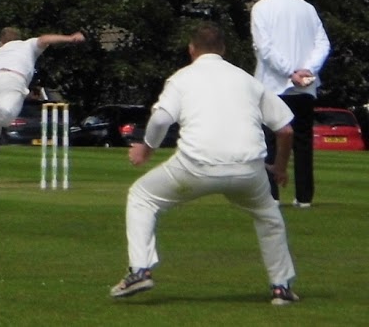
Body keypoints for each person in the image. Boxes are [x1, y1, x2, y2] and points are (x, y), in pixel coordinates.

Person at [110, 22, 299, 305]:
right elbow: (285, 130)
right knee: (269, 217)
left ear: (191, 49)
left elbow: (160, 119)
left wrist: (146, 148)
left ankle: (140, 270)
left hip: (196, 166)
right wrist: (280, 168)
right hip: (249, 170)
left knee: (142, 196)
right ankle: (281, 288)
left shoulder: (182, 78)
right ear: (223, 49)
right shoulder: (247, 80)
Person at [249, 0, 330, 208]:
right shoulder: (307, 8)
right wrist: (308, 70)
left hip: (274, 85)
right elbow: (323, 44)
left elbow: (265, 48)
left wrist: (289, 72)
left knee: (270, 140)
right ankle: (304, 197)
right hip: (304, 86)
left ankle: (271, 195)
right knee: (303, 141)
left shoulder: (261, 8)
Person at [0, 26, 85, 183]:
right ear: (18, 39)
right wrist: (70, 38)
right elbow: (45, 39)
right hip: (12, 80)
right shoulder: (27, 44)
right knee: (7, 118)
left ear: (0, 42)